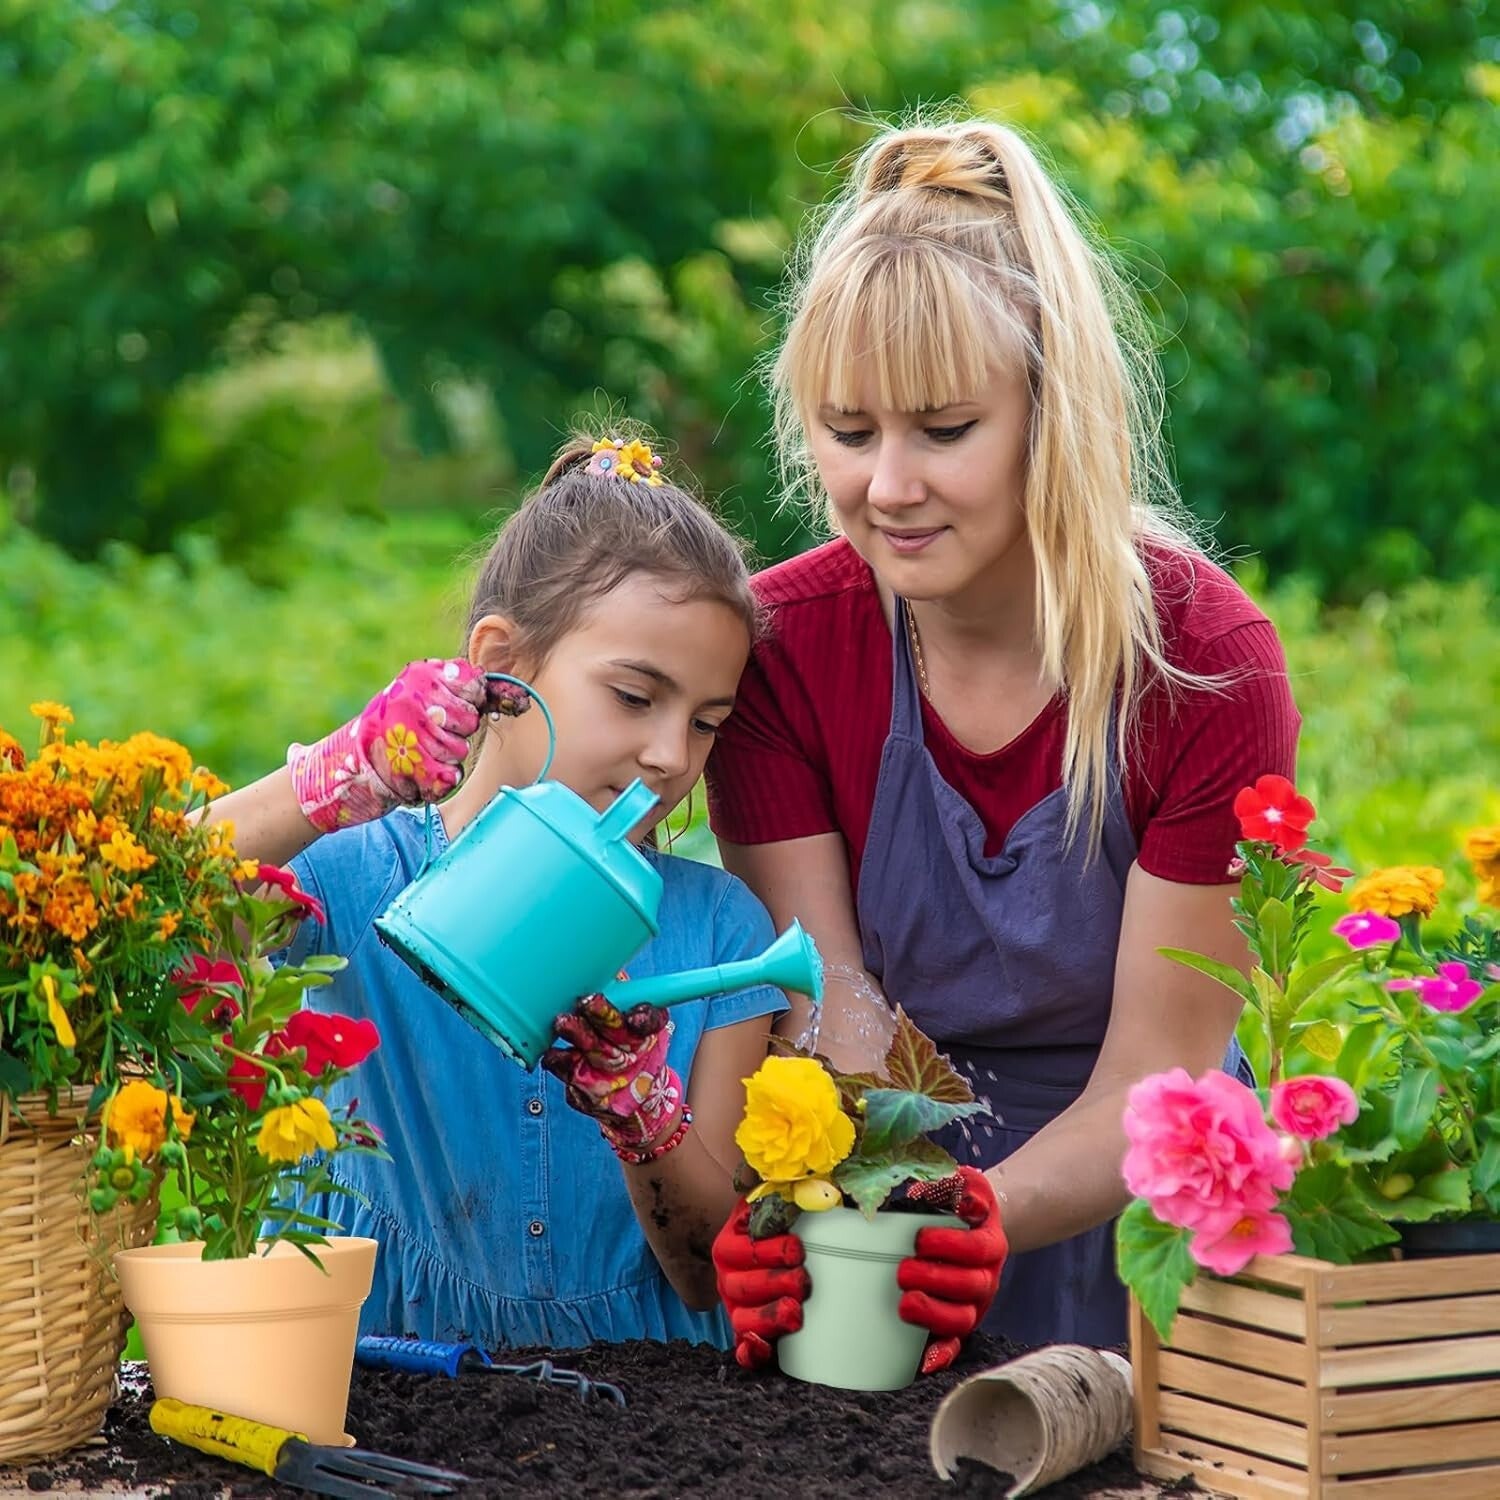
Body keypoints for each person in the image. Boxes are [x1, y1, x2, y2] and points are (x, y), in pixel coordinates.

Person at [706, 116, 1298, 1354]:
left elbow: (1156, 1075)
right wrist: (878, 1215)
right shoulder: (782, 652)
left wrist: (980, 1213)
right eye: (850, 432)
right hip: (891, 1199)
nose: (889, 488)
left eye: (946, 429)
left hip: (1139, 1221)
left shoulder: (1200, 668)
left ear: (1052, 413)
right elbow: (833, 1009)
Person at [208, 434, 789, 1349]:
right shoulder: (345, 874)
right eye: (636, 697)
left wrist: (646, 1116)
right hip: (375, 1372)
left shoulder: (718, 933)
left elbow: (706, 1274)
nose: (671, 757)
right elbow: (144, 904)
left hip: (644, 1406)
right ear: (501, 665)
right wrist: (329, 782)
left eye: (706, 722)